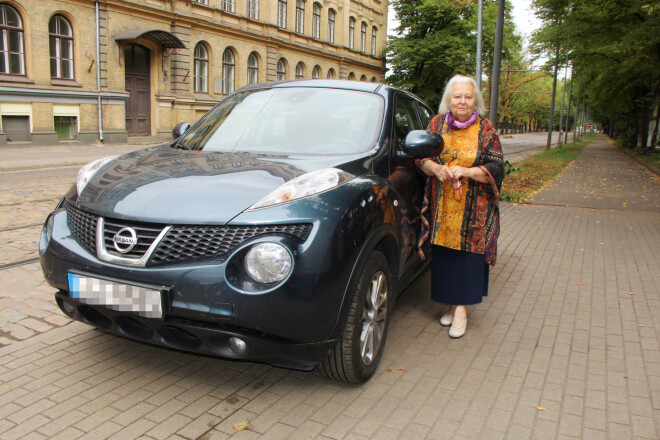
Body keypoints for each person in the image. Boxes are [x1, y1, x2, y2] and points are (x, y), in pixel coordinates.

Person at [416, 74, 504, 339]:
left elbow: (497, 166)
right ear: (448, 100)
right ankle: (452, 305)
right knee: (445, 258)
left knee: (467, 260)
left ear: (475, 99)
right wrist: (435, 168)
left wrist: (467, 171)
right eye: (457, 96)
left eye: (468, 96)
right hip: (442, 207)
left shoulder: (486, 128)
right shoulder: (436, 123)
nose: (463, 101)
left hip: (474, 210)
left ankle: (462, 310)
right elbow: (420, 157)